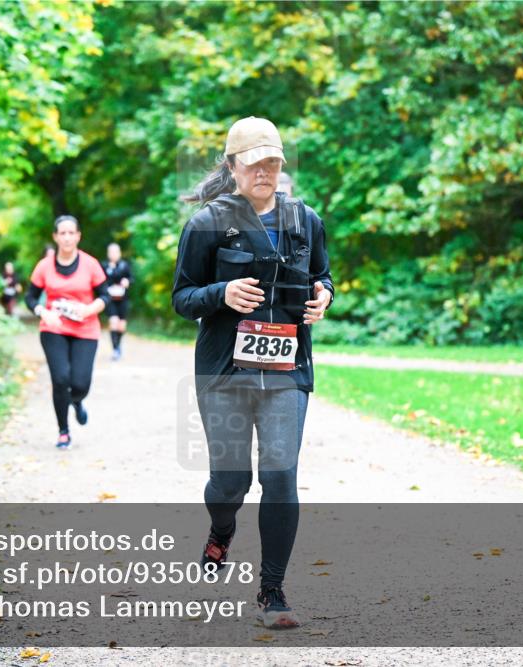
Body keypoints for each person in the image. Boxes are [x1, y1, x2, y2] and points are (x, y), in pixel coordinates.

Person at [172, 117, 333, 629]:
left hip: (287, 370)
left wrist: (324, 296)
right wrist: (222, 294)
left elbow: (324, 275)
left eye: (272, 162)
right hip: (224, 373)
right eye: (253, 162)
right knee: (230, 481)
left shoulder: (305, 219)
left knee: (281, 475)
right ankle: (222, 531)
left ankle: (272, 592)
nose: (264, 171)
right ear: (232, 166)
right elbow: (182, 298)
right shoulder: (205, 224)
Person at [25, 215, 110, 449]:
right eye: (62, 233)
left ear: (78, 236)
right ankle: (63, 431)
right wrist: (43, 311)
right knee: (61, 379)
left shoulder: (90, 264)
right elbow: (30, 297)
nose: (67, 237)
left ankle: (77, 401)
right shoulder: (44, 266)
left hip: (86, 327)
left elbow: (105, 295)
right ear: (55, 237)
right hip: (54, 327)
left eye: (71, 233)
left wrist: (89, 309)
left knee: (80, 384)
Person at [101, 243, 133, 360]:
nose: (114, 254)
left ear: (119, 253)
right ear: (108, 253)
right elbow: (100, 281)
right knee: (113, 321)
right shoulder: (104, 266)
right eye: (111, 252)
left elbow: (131, 278)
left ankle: (118, 346)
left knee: (121, 326)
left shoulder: (124, 265)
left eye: (116, 252)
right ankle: (115, 349)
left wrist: (127, 281)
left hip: (123, 299)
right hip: (110, 299)